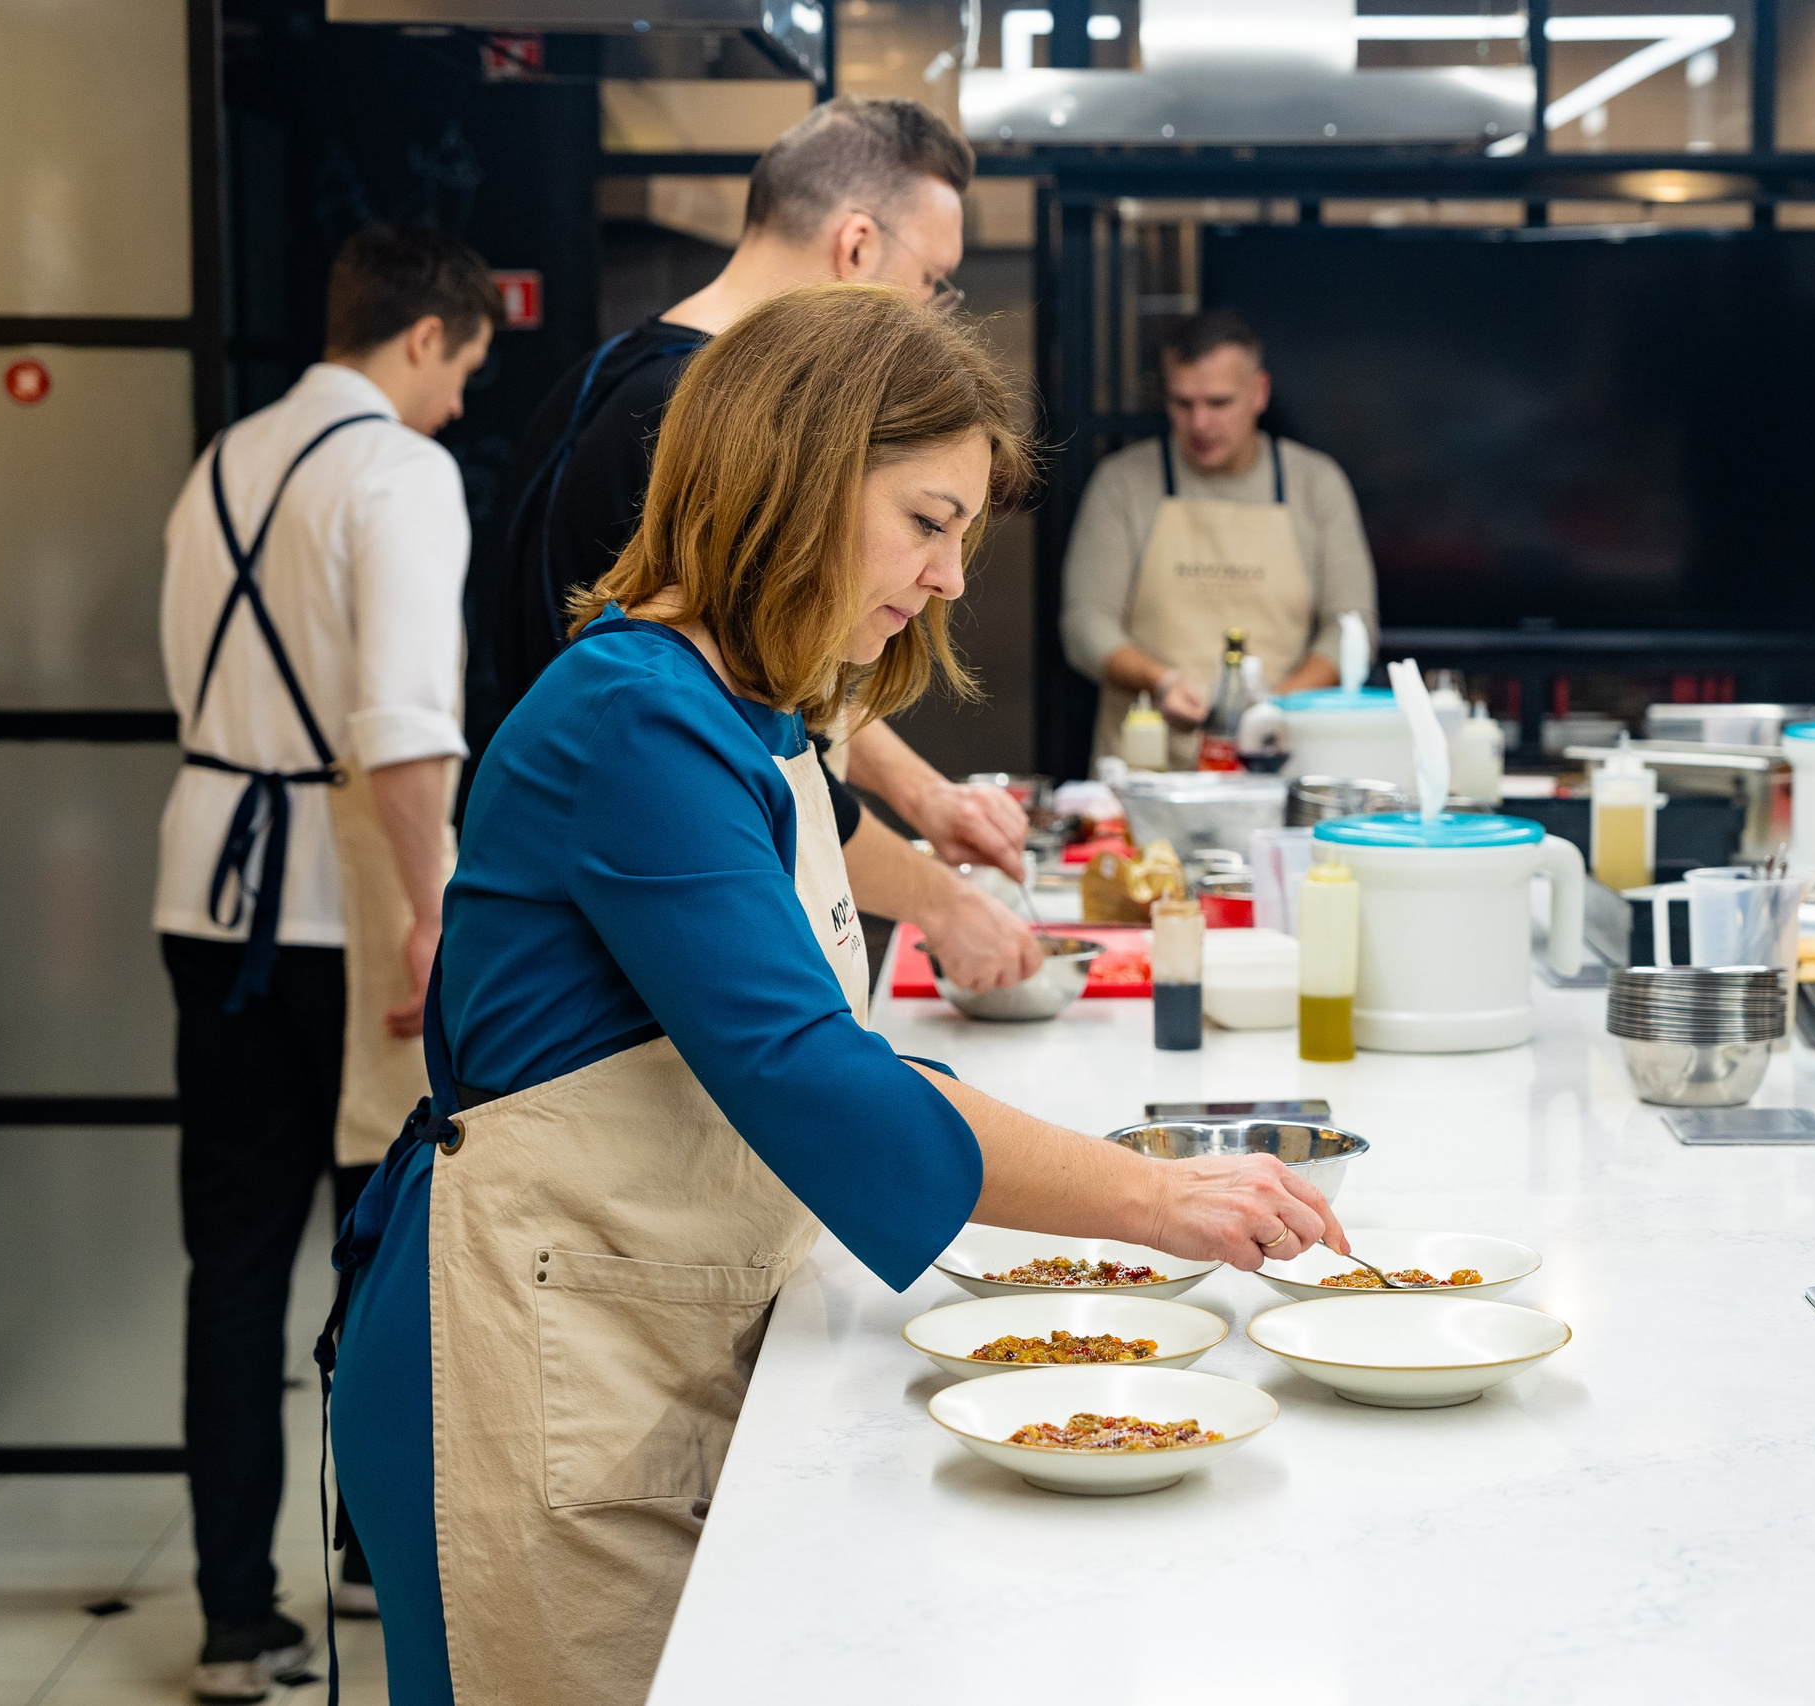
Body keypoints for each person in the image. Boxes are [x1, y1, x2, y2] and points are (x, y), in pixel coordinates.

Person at [328, 286, 1343, 1706]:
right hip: (524, 1363)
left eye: (962, 539)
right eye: (927, 521)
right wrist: (1157, 1198)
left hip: (634, 1332)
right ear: (794, 471)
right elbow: (807, 1073)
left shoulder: (755, 711)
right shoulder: (634, 714)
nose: (946, 577)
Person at [154, 224, 493, 1702]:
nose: (464, 404)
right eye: (466, 369)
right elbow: (409, 725)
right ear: (424, 339)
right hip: (341, 902)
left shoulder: (220, 459)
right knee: (384, 1238)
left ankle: (238, 1617)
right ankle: (376, 1552)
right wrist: (437, 910)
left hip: (204, 889)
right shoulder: (400, 473)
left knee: (230, 1264)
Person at [481, 93, 1036, 990]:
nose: (935, 317)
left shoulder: (607, 376)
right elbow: (729, 738)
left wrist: (921, 794)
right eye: (936, 283)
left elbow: (771, 677)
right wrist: (940, 902)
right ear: (856, 248)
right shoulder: (697, 424)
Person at [1061, 309, 1379, 769]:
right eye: (1182, 404)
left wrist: (1276, 705)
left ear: (1259, 392)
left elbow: (1353, 627)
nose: (1200, 424)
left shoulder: (1315, 483)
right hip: (1147, 773)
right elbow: (1085, 624)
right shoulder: (1124, 483)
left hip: (1275, 760)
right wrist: (1161, 681)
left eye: (1218, 403)